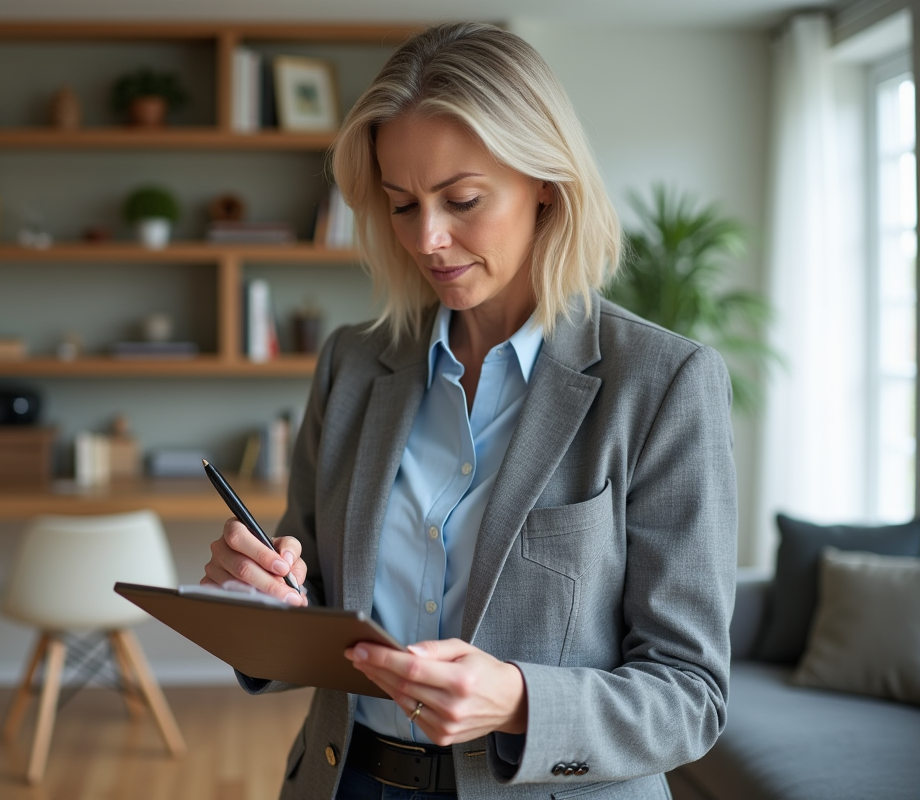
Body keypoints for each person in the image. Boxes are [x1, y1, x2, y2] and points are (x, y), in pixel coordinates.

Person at [202, 21, 736, 800]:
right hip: (345, 779)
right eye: (401, 204)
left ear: (546, 182)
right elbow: (313, 600)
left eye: (463, 200)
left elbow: (691, 696)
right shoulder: (354, 363)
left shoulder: (663, 383)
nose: (429, 238)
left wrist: (520, 702)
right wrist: (258, 601)